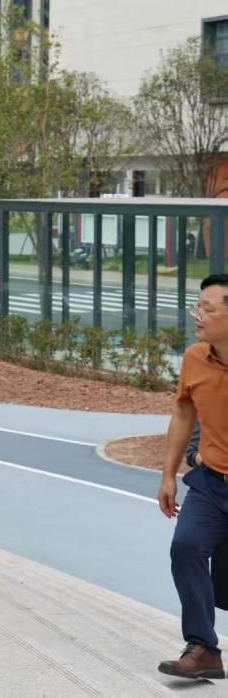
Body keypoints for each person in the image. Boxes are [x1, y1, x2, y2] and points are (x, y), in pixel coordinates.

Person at [158, 273, 228, 680]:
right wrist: (168, 475)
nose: (197, 315)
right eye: (196, 307)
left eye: (207, 309)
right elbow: (184, 412)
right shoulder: (194, 358)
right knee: (185, 547)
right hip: (211, 483)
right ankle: (203, 647)